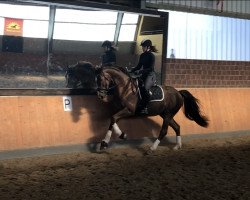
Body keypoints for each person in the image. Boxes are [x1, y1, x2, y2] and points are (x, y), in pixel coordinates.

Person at [130, 39, 157, 114]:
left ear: (148, 47)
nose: (142, 48)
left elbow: (151, 68)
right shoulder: (142, 55)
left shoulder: (152, 56)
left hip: (150, 75)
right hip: (143, 74)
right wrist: (131, 70)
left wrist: (140, 71)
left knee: (145, 88)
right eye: (142, 46)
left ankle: (145, 107)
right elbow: (138, 66)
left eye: (144, 46)